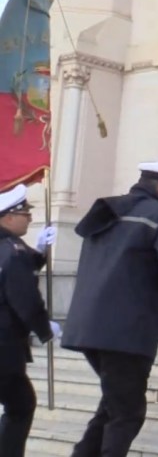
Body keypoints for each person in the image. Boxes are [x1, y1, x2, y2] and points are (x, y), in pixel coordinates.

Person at [63, 162, 158, 457]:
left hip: (87, 326)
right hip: (127, 331)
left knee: (113, 406)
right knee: (127, 414)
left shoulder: (108, 211)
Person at [0, 184, 59, 457]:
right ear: (8, 217)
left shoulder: (12, 248)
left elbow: (20, 268)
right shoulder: (12, 250)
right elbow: (24, 297)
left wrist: (40, 251)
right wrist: (45, 328)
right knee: (21, 405)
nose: (30, 217)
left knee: (19, 403)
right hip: (4, 346)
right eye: (24, 212)